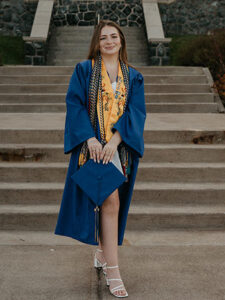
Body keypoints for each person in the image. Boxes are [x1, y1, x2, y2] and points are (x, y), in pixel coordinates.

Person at [55, 19, 146, 298]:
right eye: (104, 37)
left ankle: (102, 252)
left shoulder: (133, 76)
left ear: (122, 41)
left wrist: (117, 140)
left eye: (114, 36)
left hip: (119, 149)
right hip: (92, 148)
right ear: (97, 42)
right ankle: (113, 270)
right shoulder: (84, 70)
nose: (109, 41)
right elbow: (75, 104)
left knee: (111, 203)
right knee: (110, 201)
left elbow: (136, 112)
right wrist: (90, 139)